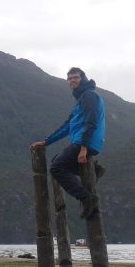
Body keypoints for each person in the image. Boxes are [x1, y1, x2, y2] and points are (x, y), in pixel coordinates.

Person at [30, 67, 105, 219]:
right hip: (82, 141)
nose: (72, 81)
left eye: (75, 77)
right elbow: (67, 126)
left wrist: (84, 148)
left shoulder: (89, 96)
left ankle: (86, 198)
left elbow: (92, 122)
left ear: (82, 78)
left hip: (85, 142)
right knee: (59, 162)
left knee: (57, 168)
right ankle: (95, 170)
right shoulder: (80, 100)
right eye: (69, 78)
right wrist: (46, 142)